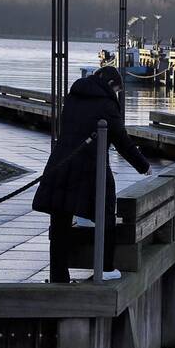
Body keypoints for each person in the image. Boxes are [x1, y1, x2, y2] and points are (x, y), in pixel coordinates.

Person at [32, 67, 151, 283]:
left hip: (61, 162)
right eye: (117, 90)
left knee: (60, 219)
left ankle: (58, 276)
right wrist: (144, 166)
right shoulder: (106, 104)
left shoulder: (74, 96)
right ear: (112, 85)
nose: (116, 95)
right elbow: (122, 140)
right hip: (91, 166)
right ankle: (105, 267)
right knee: (105, 212)